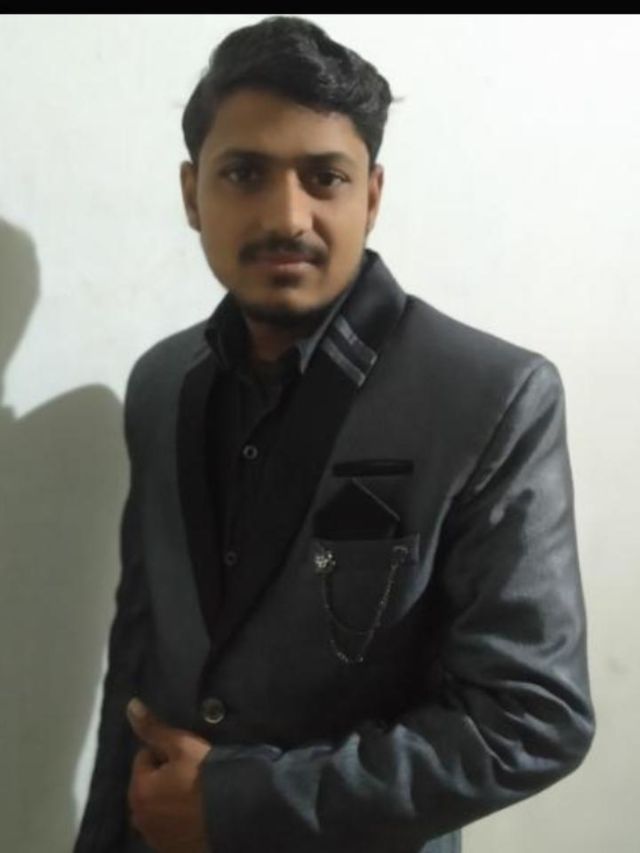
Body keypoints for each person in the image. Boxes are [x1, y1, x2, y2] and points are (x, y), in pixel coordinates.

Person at [74, 15, 595, 853]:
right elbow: (137, 661)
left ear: (372, 195)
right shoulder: (160, 383)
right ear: (191, 193)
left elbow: (532, 718)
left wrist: (237, 803)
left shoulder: (491, 396)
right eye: (244, 173)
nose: (288, 215)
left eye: (324, 177)